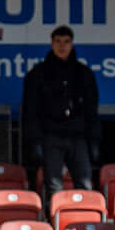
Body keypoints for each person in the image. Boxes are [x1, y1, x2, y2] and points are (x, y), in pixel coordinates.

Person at [22, 25, 101, 202]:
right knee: (54, 186)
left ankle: (86, 221)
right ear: (51, 44)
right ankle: (56, 223)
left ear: (72, 44)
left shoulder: (84, 74)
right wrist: (34, 141)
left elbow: (91, 110)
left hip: (78, 137)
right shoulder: (38, 74)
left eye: (66, 42)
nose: (62, 46)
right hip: (51, 137)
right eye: (58, 41)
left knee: (85, 183)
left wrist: (94, 140)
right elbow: (30, 110)